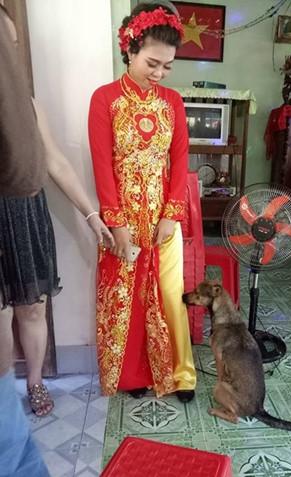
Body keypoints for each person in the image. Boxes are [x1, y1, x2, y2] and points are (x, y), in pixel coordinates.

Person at [0, 3, 114, 419]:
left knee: (32, 307)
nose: (11, 55)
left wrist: (91, 215)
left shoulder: (28, 106)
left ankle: (34, 382)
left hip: (24, 213)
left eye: (14, 45)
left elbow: (57, 163)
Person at [88, 3, 196, 401]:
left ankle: (181, 375)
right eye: (152, 63)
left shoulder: (172, 101)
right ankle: (135, 376)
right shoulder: (105, 99)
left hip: (164, 218)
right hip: (124, 219)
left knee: (170, 294)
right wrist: (116, 224)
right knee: (126, 295)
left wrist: (171, 214)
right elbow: (102, 165)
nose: (159, 74)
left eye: (167, 66)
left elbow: (180, 160)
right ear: (130, 49)